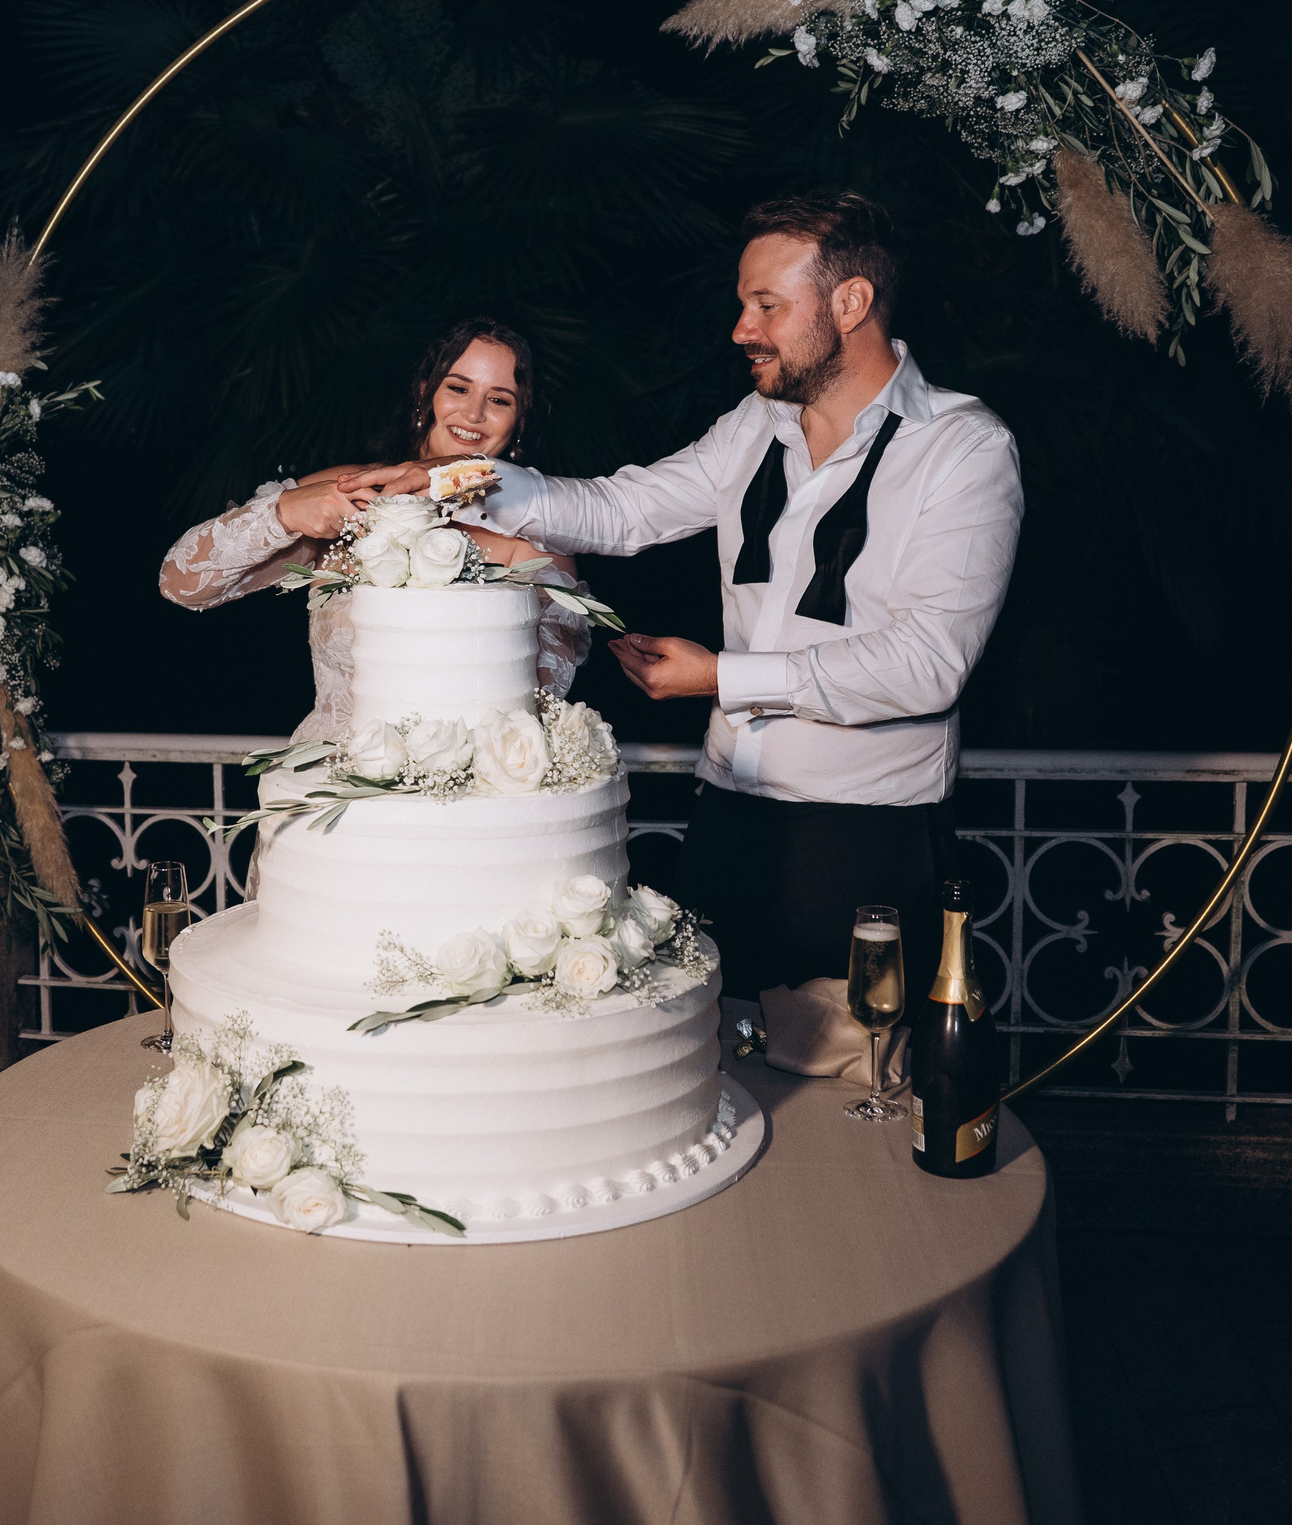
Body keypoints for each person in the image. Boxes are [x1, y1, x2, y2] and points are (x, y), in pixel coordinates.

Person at [340, 194, 1022, 1010]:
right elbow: (622, 511)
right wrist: (458, 480)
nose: (742, 327)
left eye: (767, 305)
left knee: (858, 1095)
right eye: (744, 304)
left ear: (851, 304)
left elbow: (927, 667)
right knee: (713, 1079)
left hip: (867, 838)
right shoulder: (753, 426)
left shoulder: (965, 449)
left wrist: (721, 678)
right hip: (727, 820)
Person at [158, 316, 590, 742]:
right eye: (458, 388)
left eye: (500, 400)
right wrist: (284, 513)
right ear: (426, 394)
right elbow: (183, 585)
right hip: (331, 786)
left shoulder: (532, 541)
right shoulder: (348, 491)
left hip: (466, 802)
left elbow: (538, 710)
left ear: (520, 418)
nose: (474, 414)